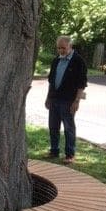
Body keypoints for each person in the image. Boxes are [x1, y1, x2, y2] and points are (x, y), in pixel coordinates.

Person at [45, 35, 87, 164]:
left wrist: (76, 102)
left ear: (70, 46)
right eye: (58, 48)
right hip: (54, 99)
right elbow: (51, 80)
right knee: (53, 127)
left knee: (69, 128)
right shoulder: (56, 60)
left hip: (68, 101)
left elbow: (81, 84)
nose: (61, 51)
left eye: (63, 48)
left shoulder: (78, 61)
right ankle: (54, 150)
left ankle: (70, 154)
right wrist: (48, 97)